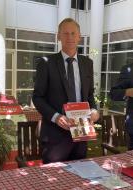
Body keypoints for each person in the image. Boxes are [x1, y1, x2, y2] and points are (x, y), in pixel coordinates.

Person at [32, 18, 99, 164]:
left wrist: (94, 110)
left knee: (79, 179)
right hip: (55, 135)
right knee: (55, 181)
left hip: (81, 133)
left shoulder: (87, 63)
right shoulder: (46, 63)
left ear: (79, 37)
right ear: (59, 36)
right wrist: (56, 117)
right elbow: (37, 97)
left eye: (73, 33)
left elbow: (89, 95)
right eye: (65, 33)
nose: (70, 37)